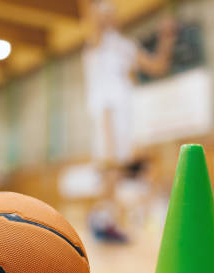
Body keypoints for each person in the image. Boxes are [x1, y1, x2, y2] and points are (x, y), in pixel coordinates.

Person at [82, 0, 176, 242]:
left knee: (116, 167)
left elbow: (157, 66)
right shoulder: (97, 42)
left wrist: (166, 39)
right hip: (105, 111)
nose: (107, 15)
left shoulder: (124, 46)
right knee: (109, 165)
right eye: (103, 11)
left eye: (111, 11)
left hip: (125, 111)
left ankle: (107, 218)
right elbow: (88, 13)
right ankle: (104, 218)